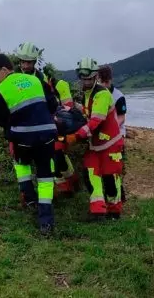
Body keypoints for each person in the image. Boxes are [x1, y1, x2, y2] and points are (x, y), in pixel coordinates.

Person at [0, 53, 59, 235]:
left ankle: (29, 199)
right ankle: (46, 222)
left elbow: (1, 119)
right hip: (46, 137)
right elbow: (52, 104)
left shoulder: (1, 90)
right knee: (45, 178)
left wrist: (13, 129)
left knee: (22, 165)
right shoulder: (36, 80)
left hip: (23, 140)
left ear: (4, 70)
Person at [65, 57, 124, 220]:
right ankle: (98, 210)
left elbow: (95, 121)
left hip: (111, 145)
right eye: (84, 79)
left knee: (110, 178)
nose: (87, 81)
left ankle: (114, 211)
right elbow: (87, 112)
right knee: (91, 174)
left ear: (95, 76)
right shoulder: (88, 93)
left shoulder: (102, 94)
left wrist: (75, 136)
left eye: (89, 79)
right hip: (95, 146)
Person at [42, 63, 78, 196]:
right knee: (54, 154)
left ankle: (68, 182)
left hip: (61, 125)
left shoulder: (61, 85)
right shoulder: (38, 86)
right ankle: (66, 183)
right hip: (47, 125)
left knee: (57, 153)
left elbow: (68, 109)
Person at [97, 65, 128, 203]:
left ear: (110, 80)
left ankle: (119, 191)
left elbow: (122, 117)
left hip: (117, 135)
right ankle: (108, 192)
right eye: (101, 82)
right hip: (101, 137)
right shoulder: (96, 94)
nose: (104, 85)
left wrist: (111, 128)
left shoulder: (119, 96)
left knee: (116, 166)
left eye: (106, 82)